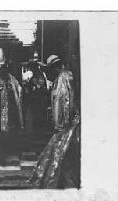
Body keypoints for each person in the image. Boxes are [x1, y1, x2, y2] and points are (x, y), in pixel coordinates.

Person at [30, 55, 80, 188]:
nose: (47, 73)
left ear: (54, 68)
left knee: (60, 155)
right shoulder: (63, 77)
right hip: (66, 125)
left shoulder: (63, 78)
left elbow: (65, 101)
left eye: (48, 69)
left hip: (66, 126)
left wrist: (61, 124)